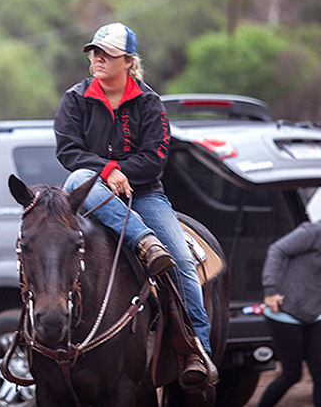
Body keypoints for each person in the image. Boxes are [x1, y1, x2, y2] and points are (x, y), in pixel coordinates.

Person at [54, 22, 215, 385]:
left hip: (144, 195)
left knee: (183, 262)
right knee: (76, 180)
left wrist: (122, 174)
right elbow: (69, 152)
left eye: (106, 53)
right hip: (93, 191)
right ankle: (144, 241)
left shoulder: (150, 103)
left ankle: (197, 349)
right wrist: (110, 171)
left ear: (128, 61)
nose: (96, 58)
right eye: (94, 51)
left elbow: (155, 159)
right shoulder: (74, 99)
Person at [258, 205, 321, 407]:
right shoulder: (315, 232)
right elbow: (277, 250)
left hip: (313, 315)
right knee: (292, 374)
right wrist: (270, 290)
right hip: (285, 313)